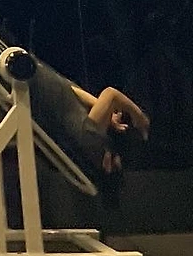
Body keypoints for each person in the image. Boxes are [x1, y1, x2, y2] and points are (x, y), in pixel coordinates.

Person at [26, 58, 150, 194]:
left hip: (29, 74)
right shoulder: (89, 139)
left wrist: (139, 116)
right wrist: (105, 112)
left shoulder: (92, 144)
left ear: (108, 167)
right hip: (37, 74)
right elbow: (71, 89)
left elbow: (111, 94)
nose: (119, 159)